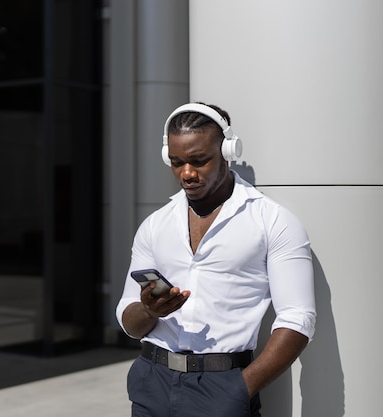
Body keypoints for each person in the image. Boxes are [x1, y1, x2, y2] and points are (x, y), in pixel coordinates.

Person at [115, 102, 316, 417]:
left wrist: (240, 389)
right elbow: (129, 321)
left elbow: (297, 319)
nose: (187, 173)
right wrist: (147, 310)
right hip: (151, 381)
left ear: (228, 150)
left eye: (199, 160)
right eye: (177, 162)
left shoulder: (272, 221)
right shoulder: (155, 225)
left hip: (223, 386)